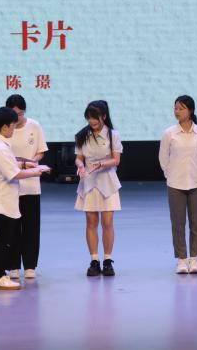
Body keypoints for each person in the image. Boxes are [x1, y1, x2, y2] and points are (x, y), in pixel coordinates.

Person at [0, 107, 51, 290]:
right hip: (1, 198)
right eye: (13, 125)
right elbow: (13, 173)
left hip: (2, 197)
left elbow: (9, 164)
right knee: (4, 238)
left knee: (3, 236)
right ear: (5, 127)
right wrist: (37, 171)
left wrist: (25, 164)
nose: (14, 129)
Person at [159, 94, 197, 274]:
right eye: (175, 108)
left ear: (191, 110)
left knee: (196, 222)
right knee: (178, 223)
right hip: (175, 183)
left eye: (181, 108)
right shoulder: (169, 133)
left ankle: (194, 258)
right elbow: (163, 158)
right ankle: (181, 259)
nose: (177, 111)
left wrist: (194, 171)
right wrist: (171, 174)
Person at [74, 100, 123, 276]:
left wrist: (102, 164)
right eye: (89, 117)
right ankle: (94, 260)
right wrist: (80, 165)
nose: (92, 121)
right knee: (91, 222)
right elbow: (79, 157)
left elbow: (116, 160)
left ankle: (108, 260)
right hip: (88, 182)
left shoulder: (113, 135)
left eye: (95, 117)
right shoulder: (82, 135)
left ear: (104, 116)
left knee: (107, 222)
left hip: (107, 181)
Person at [4, 93, 48, 280]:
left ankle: (30, 265)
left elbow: (41, 151)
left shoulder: (34, 126)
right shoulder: (4, 129)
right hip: (10, 184)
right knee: (12, 227)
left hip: (31, 183)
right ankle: (13, 265)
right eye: (14, 114)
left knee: (31, 226)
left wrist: (32, 162)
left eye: (21, 113)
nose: (18, 118)